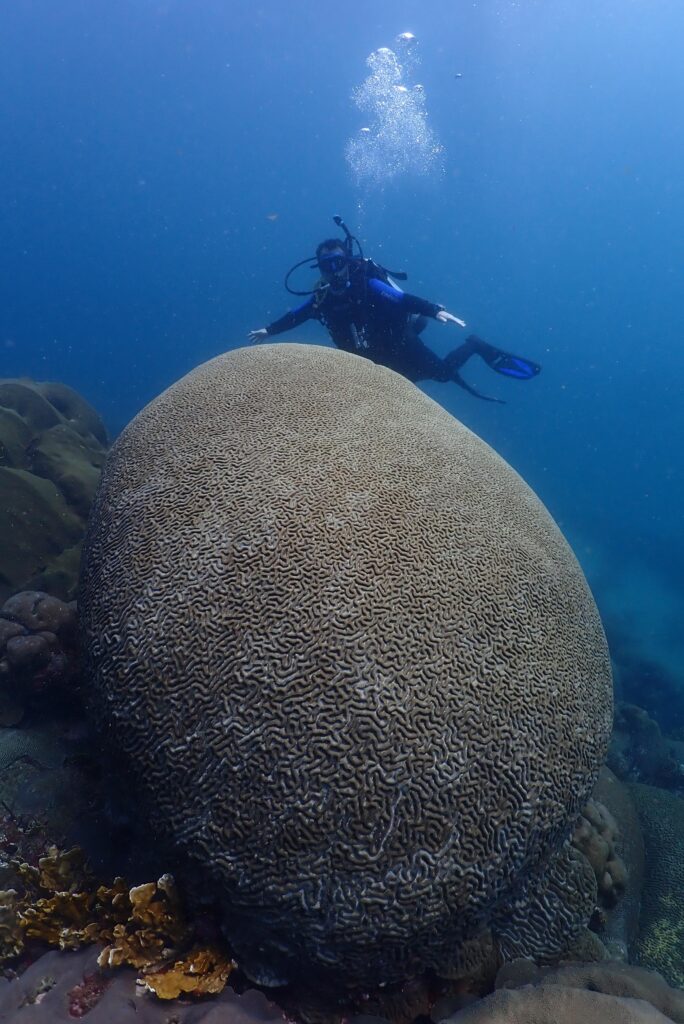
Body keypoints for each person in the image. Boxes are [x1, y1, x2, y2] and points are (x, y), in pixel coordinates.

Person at [248, 233, 541, 403]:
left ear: (349, 262)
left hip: (401, 343)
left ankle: (473, 345)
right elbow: (296, 316)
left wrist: (433, 310)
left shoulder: (367, 285)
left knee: (440, 374)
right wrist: (269, 330)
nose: (335, 270)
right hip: (370, 359)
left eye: (340, 262)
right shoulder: (322, 299)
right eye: (328, 265)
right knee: (393, 393)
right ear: (321, 269)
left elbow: (402, 300)